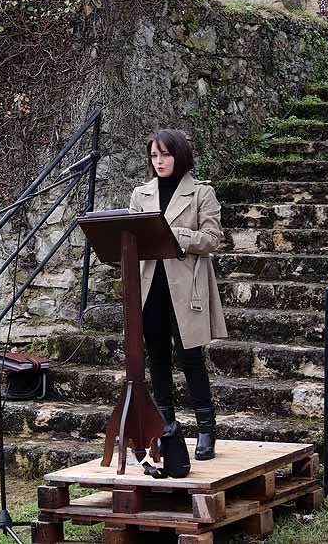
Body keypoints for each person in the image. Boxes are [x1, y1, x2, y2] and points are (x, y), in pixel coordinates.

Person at [129, 129, 227, 460]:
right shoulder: (140, 194)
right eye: (154, 156)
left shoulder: (201, 193)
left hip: (186, 288)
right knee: (156, 356)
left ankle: (205, 428)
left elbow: (213, 238)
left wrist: (177, 234)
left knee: (190, 358)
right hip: (149, 286)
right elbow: (131, 235)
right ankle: (166, 428)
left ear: (179, 155)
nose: (159, 162)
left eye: (165, 155)